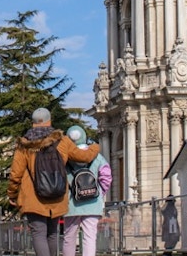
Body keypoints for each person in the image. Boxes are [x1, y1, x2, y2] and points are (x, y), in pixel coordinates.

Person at [8, 108, 100, 256]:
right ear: (49, 121)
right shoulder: (62, 141)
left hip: (33, 198)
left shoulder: (24, 144)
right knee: (52, 233)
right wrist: (95, 146)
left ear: (33, 123)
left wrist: (12, 194)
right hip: (57, 195)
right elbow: (83, 157)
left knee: (38, 233)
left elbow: (16, 173)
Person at [62, 125, 111, 256]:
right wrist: (100, 193)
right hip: (92, 202)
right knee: (89, 237)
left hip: (71, 204)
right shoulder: (97, 156)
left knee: (69, 237)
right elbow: (106, 177)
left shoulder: (65, 158)